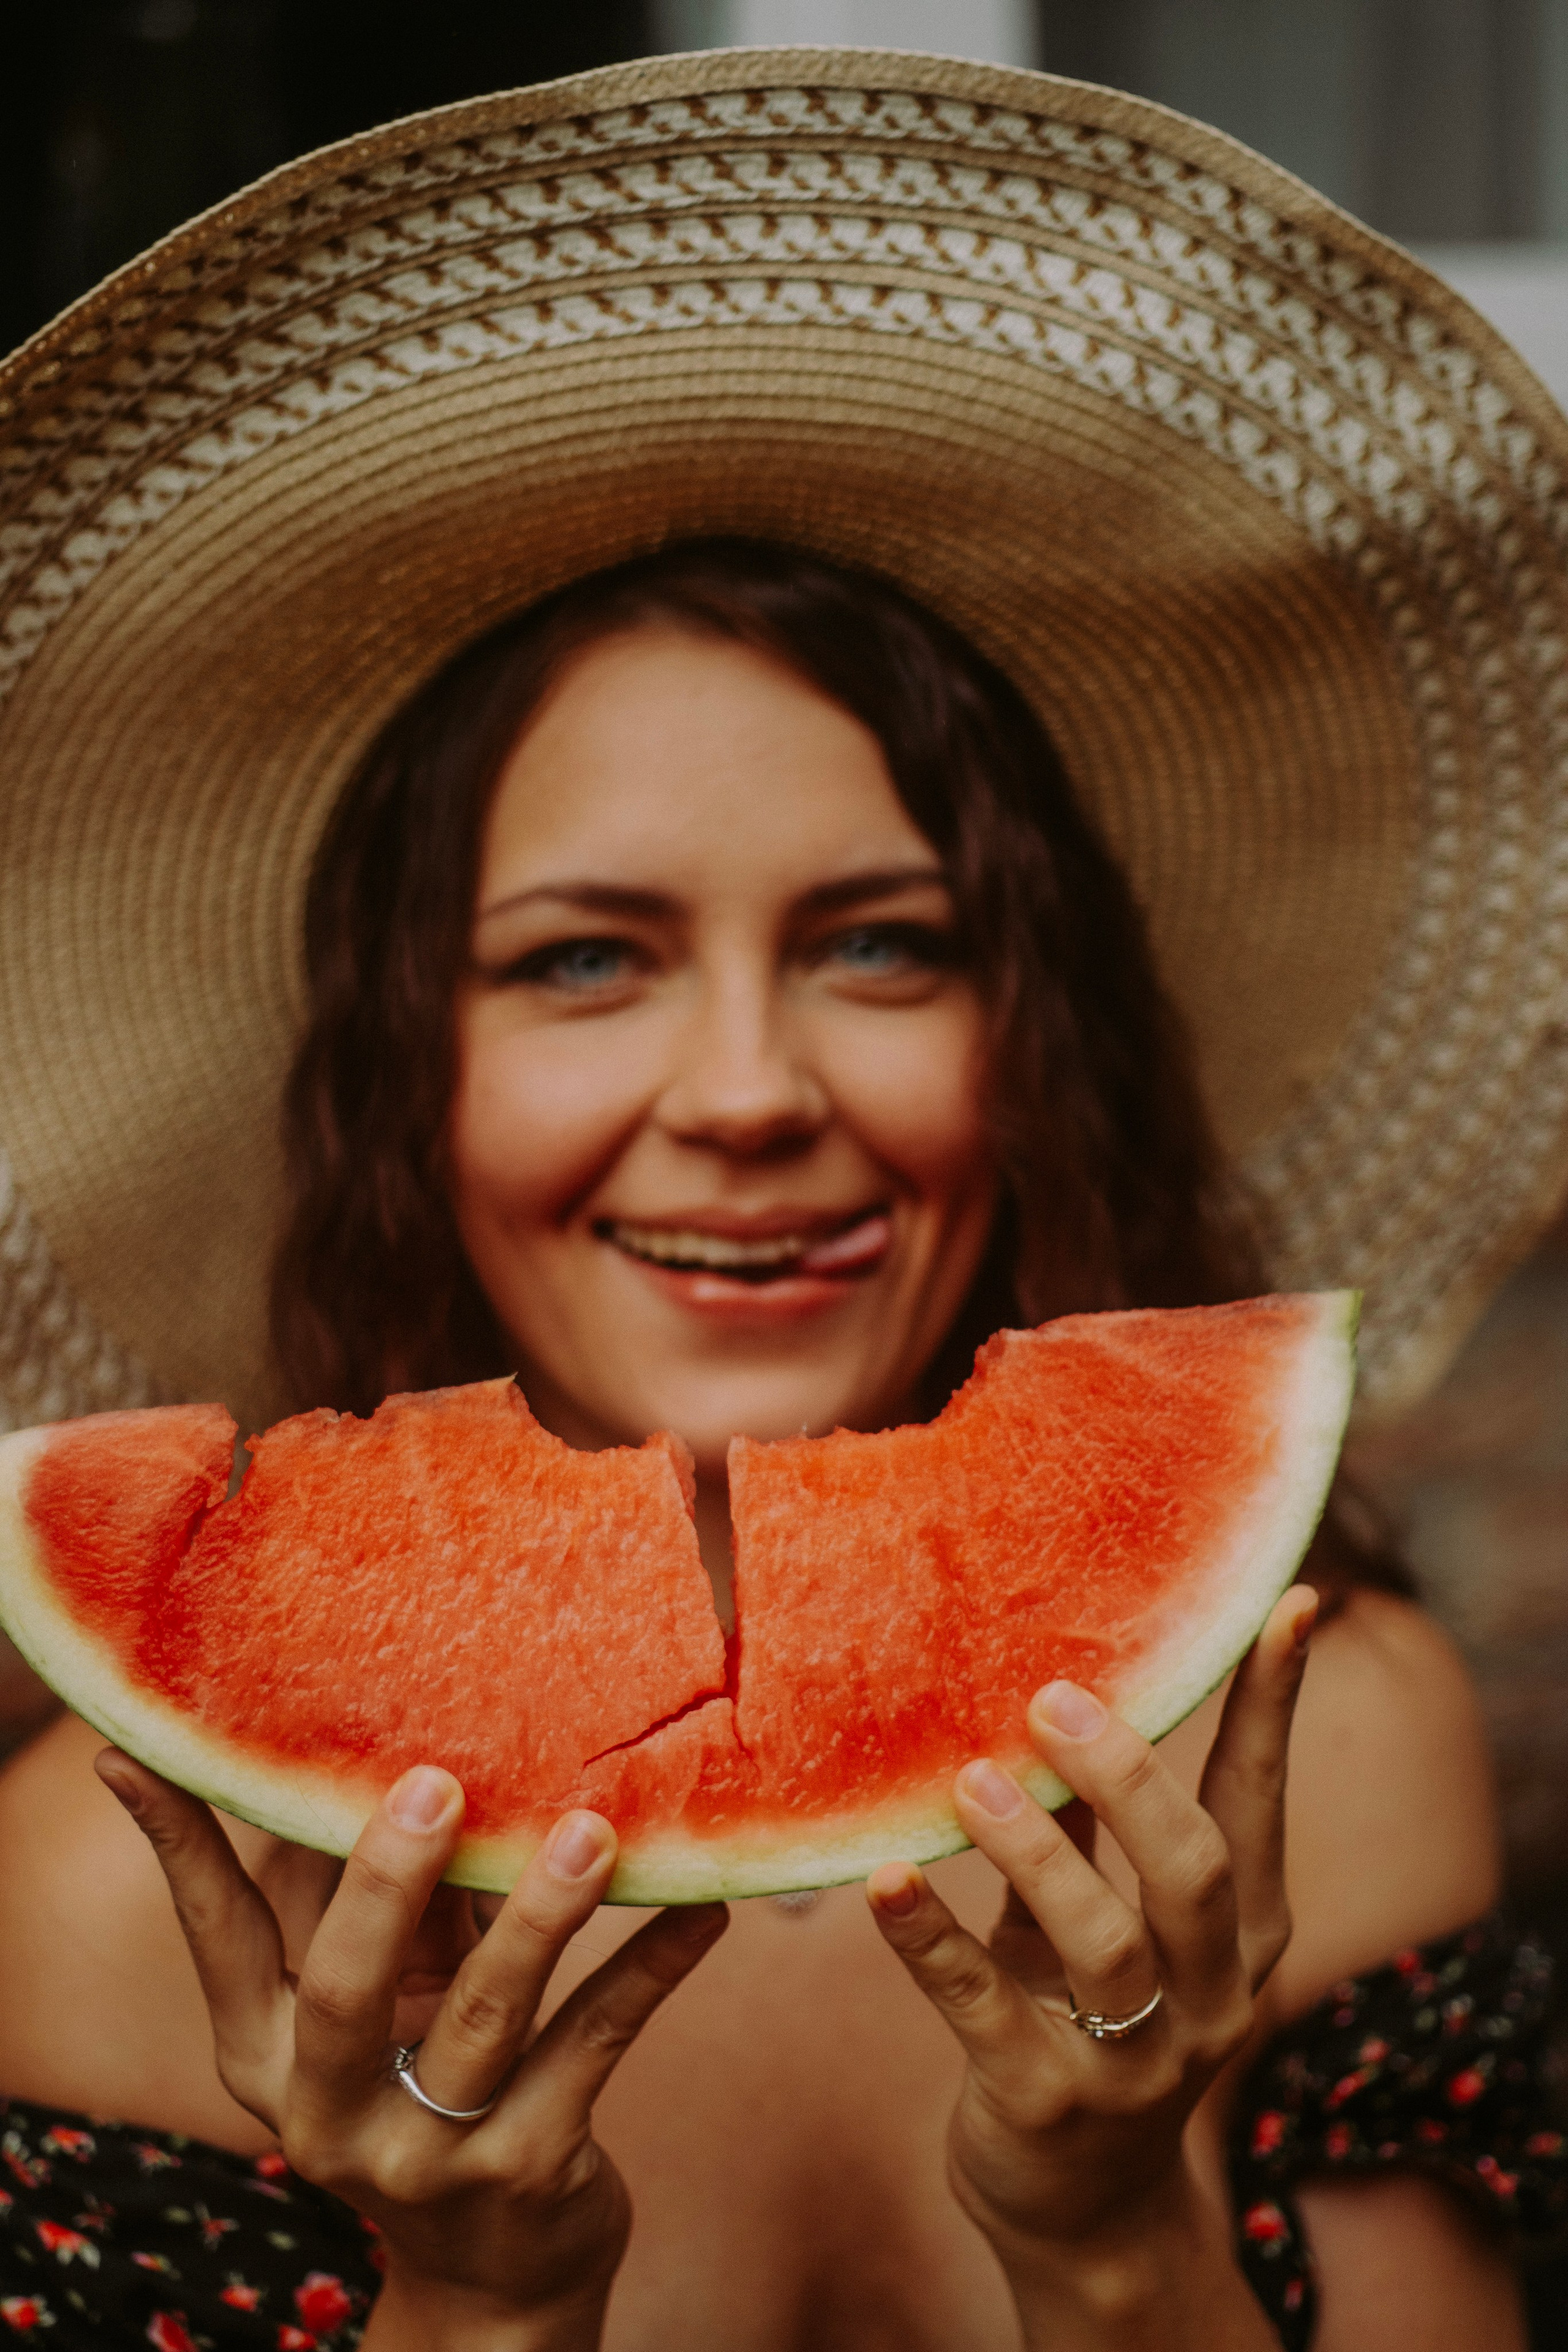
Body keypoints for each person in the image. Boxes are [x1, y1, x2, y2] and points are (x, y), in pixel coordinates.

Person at [1, 47, 1565, 2352]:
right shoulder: (123, 1889)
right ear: (404, 1074)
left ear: (1037, 1035)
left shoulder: (1321, 1752)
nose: (746, 1091)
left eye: (882, 943)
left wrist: (1120, 2234)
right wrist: (478, 2306)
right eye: (584, 961)